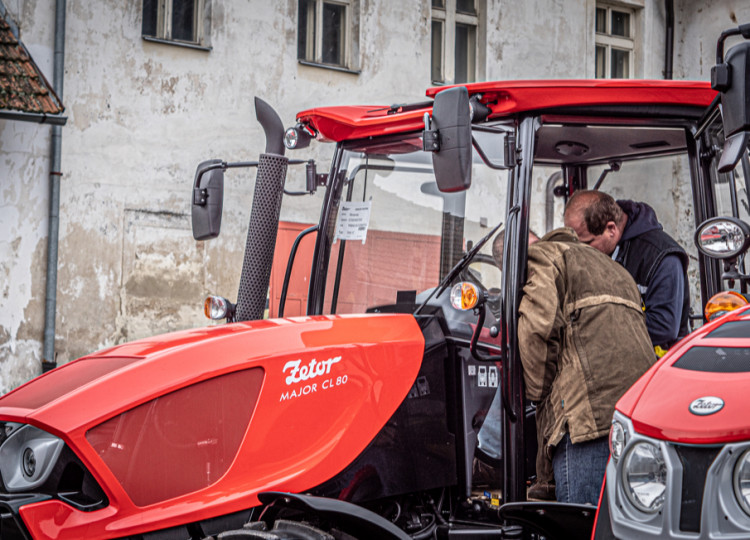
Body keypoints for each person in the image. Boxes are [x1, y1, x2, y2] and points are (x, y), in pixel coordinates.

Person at [519, 227, 655, 504]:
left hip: (586, 419)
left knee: (582, 523)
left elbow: (537, 330)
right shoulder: (616, 269)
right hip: (637, 412)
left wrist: (538, 397)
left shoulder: (545, 256)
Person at [563, 190, 690, 356]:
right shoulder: (600, 252)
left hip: (658, 368)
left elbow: (663, 327)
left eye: (587, 243)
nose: (581, 252)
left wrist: (595, 328)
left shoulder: (661, 257)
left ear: (611, 229)